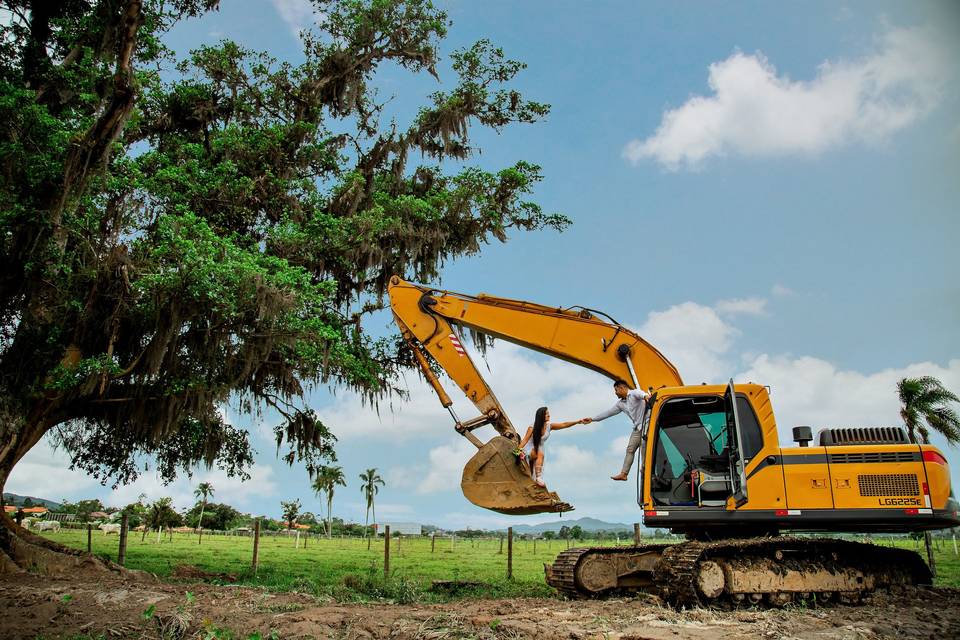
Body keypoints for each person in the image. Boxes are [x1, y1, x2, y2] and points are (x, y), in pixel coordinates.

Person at [582, 379, 650, 481]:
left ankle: (646, 470)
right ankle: (624, 474)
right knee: (630, 450)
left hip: (646, 425)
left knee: (645, 452)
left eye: (616, 390)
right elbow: (608, 413)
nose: (615, 393)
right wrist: (592, 419)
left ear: (622, 388)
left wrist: (646, 396)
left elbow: (642, 394)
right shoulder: (620, 404)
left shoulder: (634, 393)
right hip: (637, 428)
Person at [518, 406, 587, 486]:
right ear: (541, 416)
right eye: (546, 414)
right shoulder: (532, 426)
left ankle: (537, 478)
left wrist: (577, 422)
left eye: (548, 413)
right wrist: (518, 450)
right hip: (529, 448)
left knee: (538, 457)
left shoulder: (549, 426)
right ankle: (538, 478)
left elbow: (564, 424)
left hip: (540, 449)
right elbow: (525, 439)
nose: (549, 415)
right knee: (539, 453)